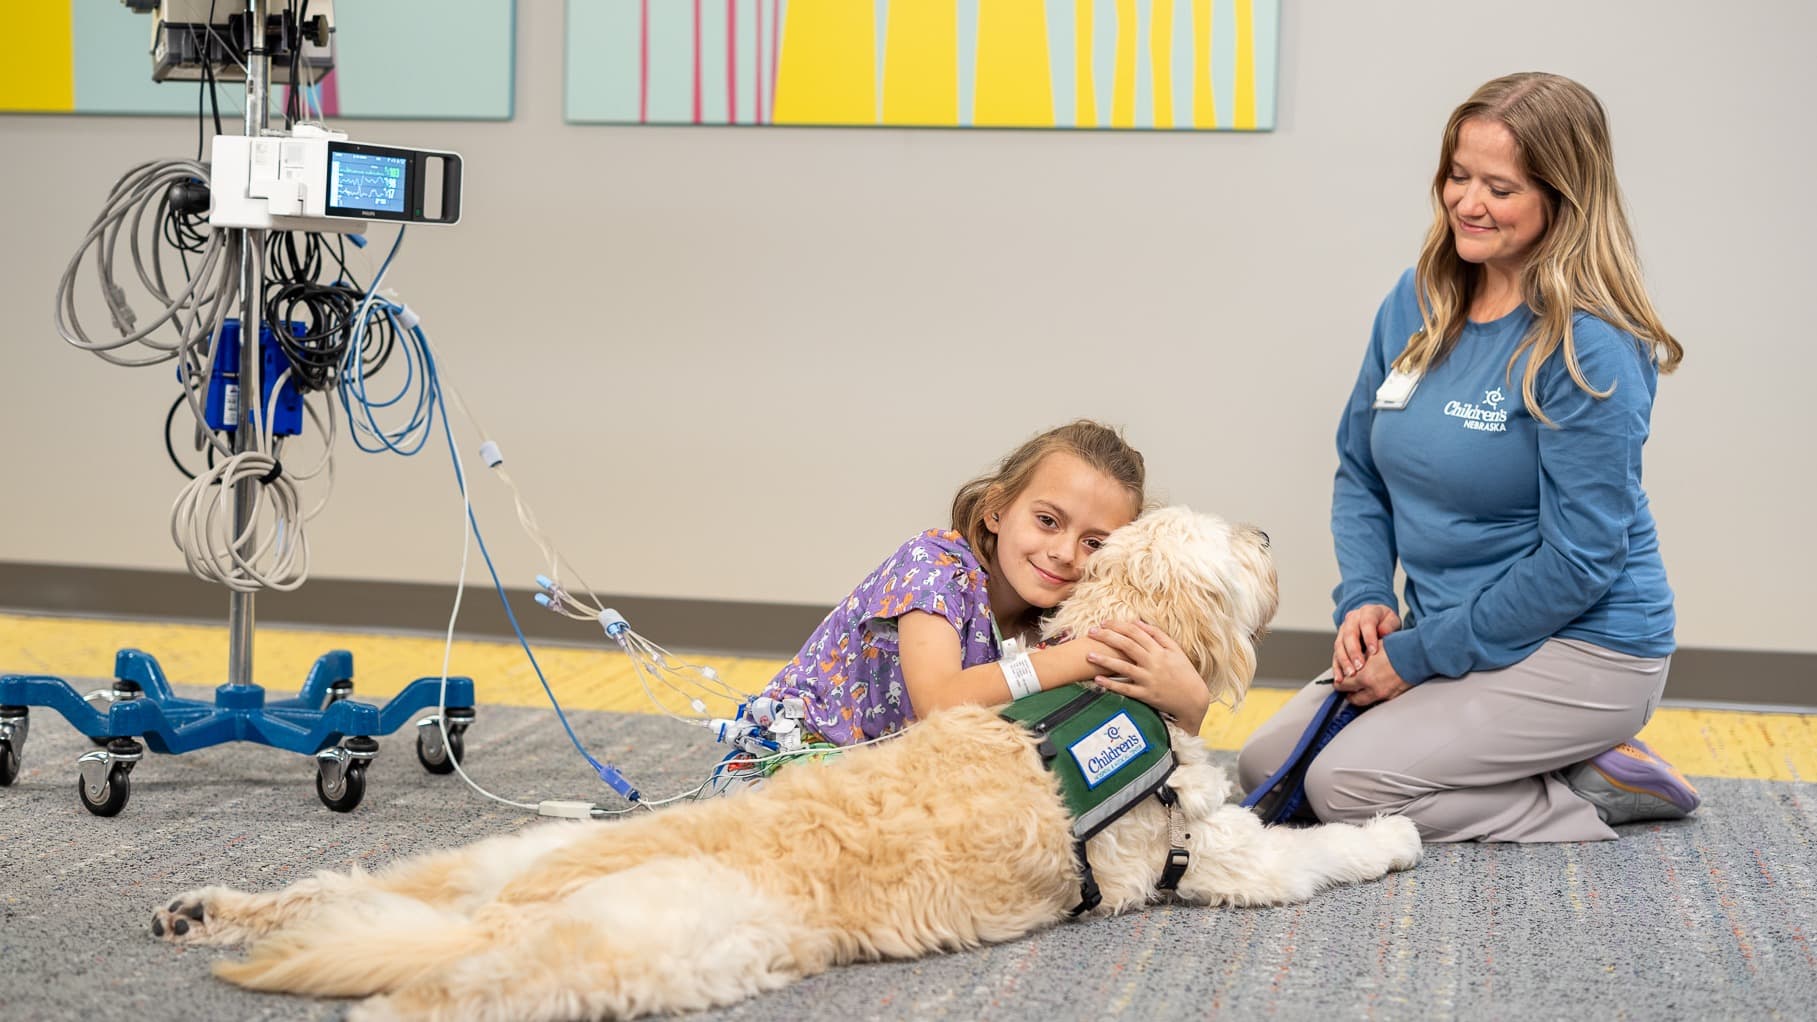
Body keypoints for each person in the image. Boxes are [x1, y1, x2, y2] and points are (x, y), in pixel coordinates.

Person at [1236, 72, 1698, 842]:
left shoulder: (1589, 347)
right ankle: (1533, 759)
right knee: (1268, 772)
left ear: (1562, 199)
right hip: (1450, 632)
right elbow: (1360, 473)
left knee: (1346, 787)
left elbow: (1581, 562)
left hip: (1586, 648)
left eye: (1499, 187)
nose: (1466, 202)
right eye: (1456, 175)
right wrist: (1362, 599)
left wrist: (1417, 658)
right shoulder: (1418, 300)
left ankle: (1592, 789)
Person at [758, 419, 1210, 748]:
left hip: (902, 793)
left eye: (1094, 542)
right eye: (1048, 520)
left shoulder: (1065, 615)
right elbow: (940, 703)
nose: (1065, 553)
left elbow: (1108, 745)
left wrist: (1190, 706)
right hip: (797, 768)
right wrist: (1081, 658)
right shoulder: (932, 567)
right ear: (997, 509)